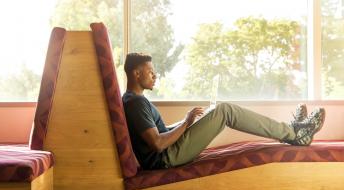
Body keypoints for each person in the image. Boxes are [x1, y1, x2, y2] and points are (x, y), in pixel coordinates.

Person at [122, 52, 326, 170]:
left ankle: (292, 131)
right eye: (151, 72)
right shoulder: (136, 103)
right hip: (166, 159)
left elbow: (159, 132)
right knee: (226, 111)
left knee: (220, 111)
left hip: (168, 153)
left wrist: (188, 121)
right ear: (136, 73)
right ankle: (293, 133)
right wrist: (185, 122)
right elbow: (157, 144)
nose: (155, 75)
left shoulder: (135, 101)